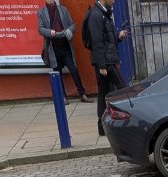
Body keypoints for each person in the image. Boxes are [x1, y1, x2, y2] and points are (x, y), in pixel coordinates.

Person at [86, 0, 126, 136]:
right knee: (123, 89)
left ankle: (102, 128)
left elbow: (106, 38)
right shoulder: (96, 15)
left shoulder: (104, 13)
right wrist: (102, 65)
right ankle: (127, 122)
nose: (114, 1)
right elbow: (96, 42)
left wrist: (118, 37)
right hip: (105, 63)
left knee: (103, 93)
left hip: (106, 60)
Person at [37, 2, 90, 102]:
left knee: (74, 70)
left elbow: (72, 25)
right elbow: (40, 29)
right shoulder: (41, 12)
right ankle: (63, 96)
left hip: (65, 47)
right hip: (53, 48)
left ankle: (82, 94)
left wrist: (69, 31)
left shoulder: (63, 9)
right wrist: (49, 32)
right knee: (58, 73)